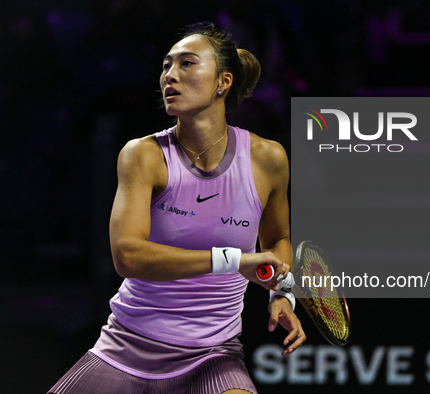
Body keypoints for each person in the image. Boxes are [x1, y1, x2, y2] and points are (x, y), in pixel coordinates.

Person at [49, 22, 305, 394]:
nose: (170, 75)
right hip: (127, 347)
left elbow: (278, 237)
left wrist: (282, 293)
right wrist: (233, 260)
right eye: (166, 66)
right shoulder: (144, 155)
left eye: (187, 64)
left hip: (214, 355)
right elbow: (128, 256)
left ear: (224, 81)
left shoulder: (268, 159)